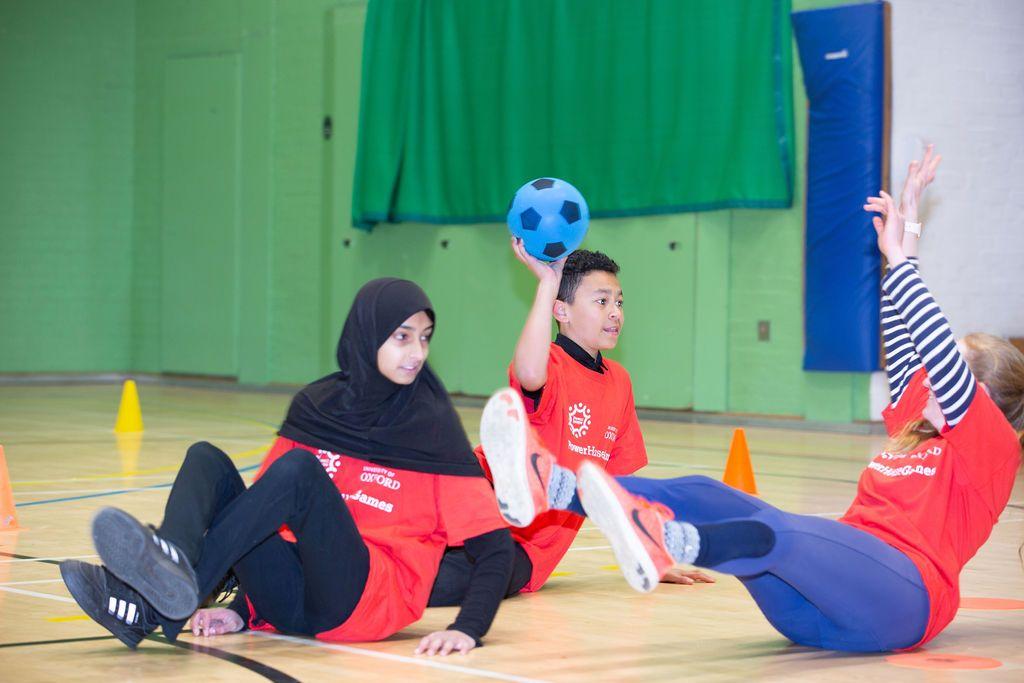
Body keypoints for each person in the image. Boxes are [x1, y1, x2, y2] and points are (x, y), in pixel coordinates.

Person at [482, 147, 1024, 651]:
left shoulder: (987, 446)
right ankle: (551, 484)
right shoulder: (918, 421)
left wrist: (905, 260)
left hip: (900, 597)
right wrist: (901, 250)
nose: (929, 374)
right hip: (820, 599)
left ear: (978, 395)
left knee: (783, 531)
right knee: (707, 491)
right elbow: (906, 339)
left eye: (948, 367)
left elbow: (931, 340)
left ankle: (669, 540)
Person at [60, 278, 514, 656]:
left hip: (363, 602)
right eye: (402, 336)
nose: (417, 351)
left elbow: (495, 549)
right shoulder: (318, 408)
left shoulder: (434, 432)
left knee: (298, 472)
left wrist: (468, 629)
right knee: (207, 460)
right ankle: (172, 562)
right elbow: (254, 519)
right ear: (367, 333)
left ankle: (160, 602)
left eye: (425, 336)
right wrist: (240, 609)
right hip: (289, 602)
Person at [428, 244, 710, 610]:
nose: (615, 313)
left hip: (526, 548)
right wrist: (548, 283)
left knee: (447, 582)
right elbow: (530, 374)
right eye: (601, 301)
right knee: (398, 547)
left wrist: (648, 552)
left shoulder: (619, 382)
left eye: (619, 303)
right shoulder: (551, 364)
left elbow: (617, 488)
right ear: (561, 310)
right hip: (470, 497)